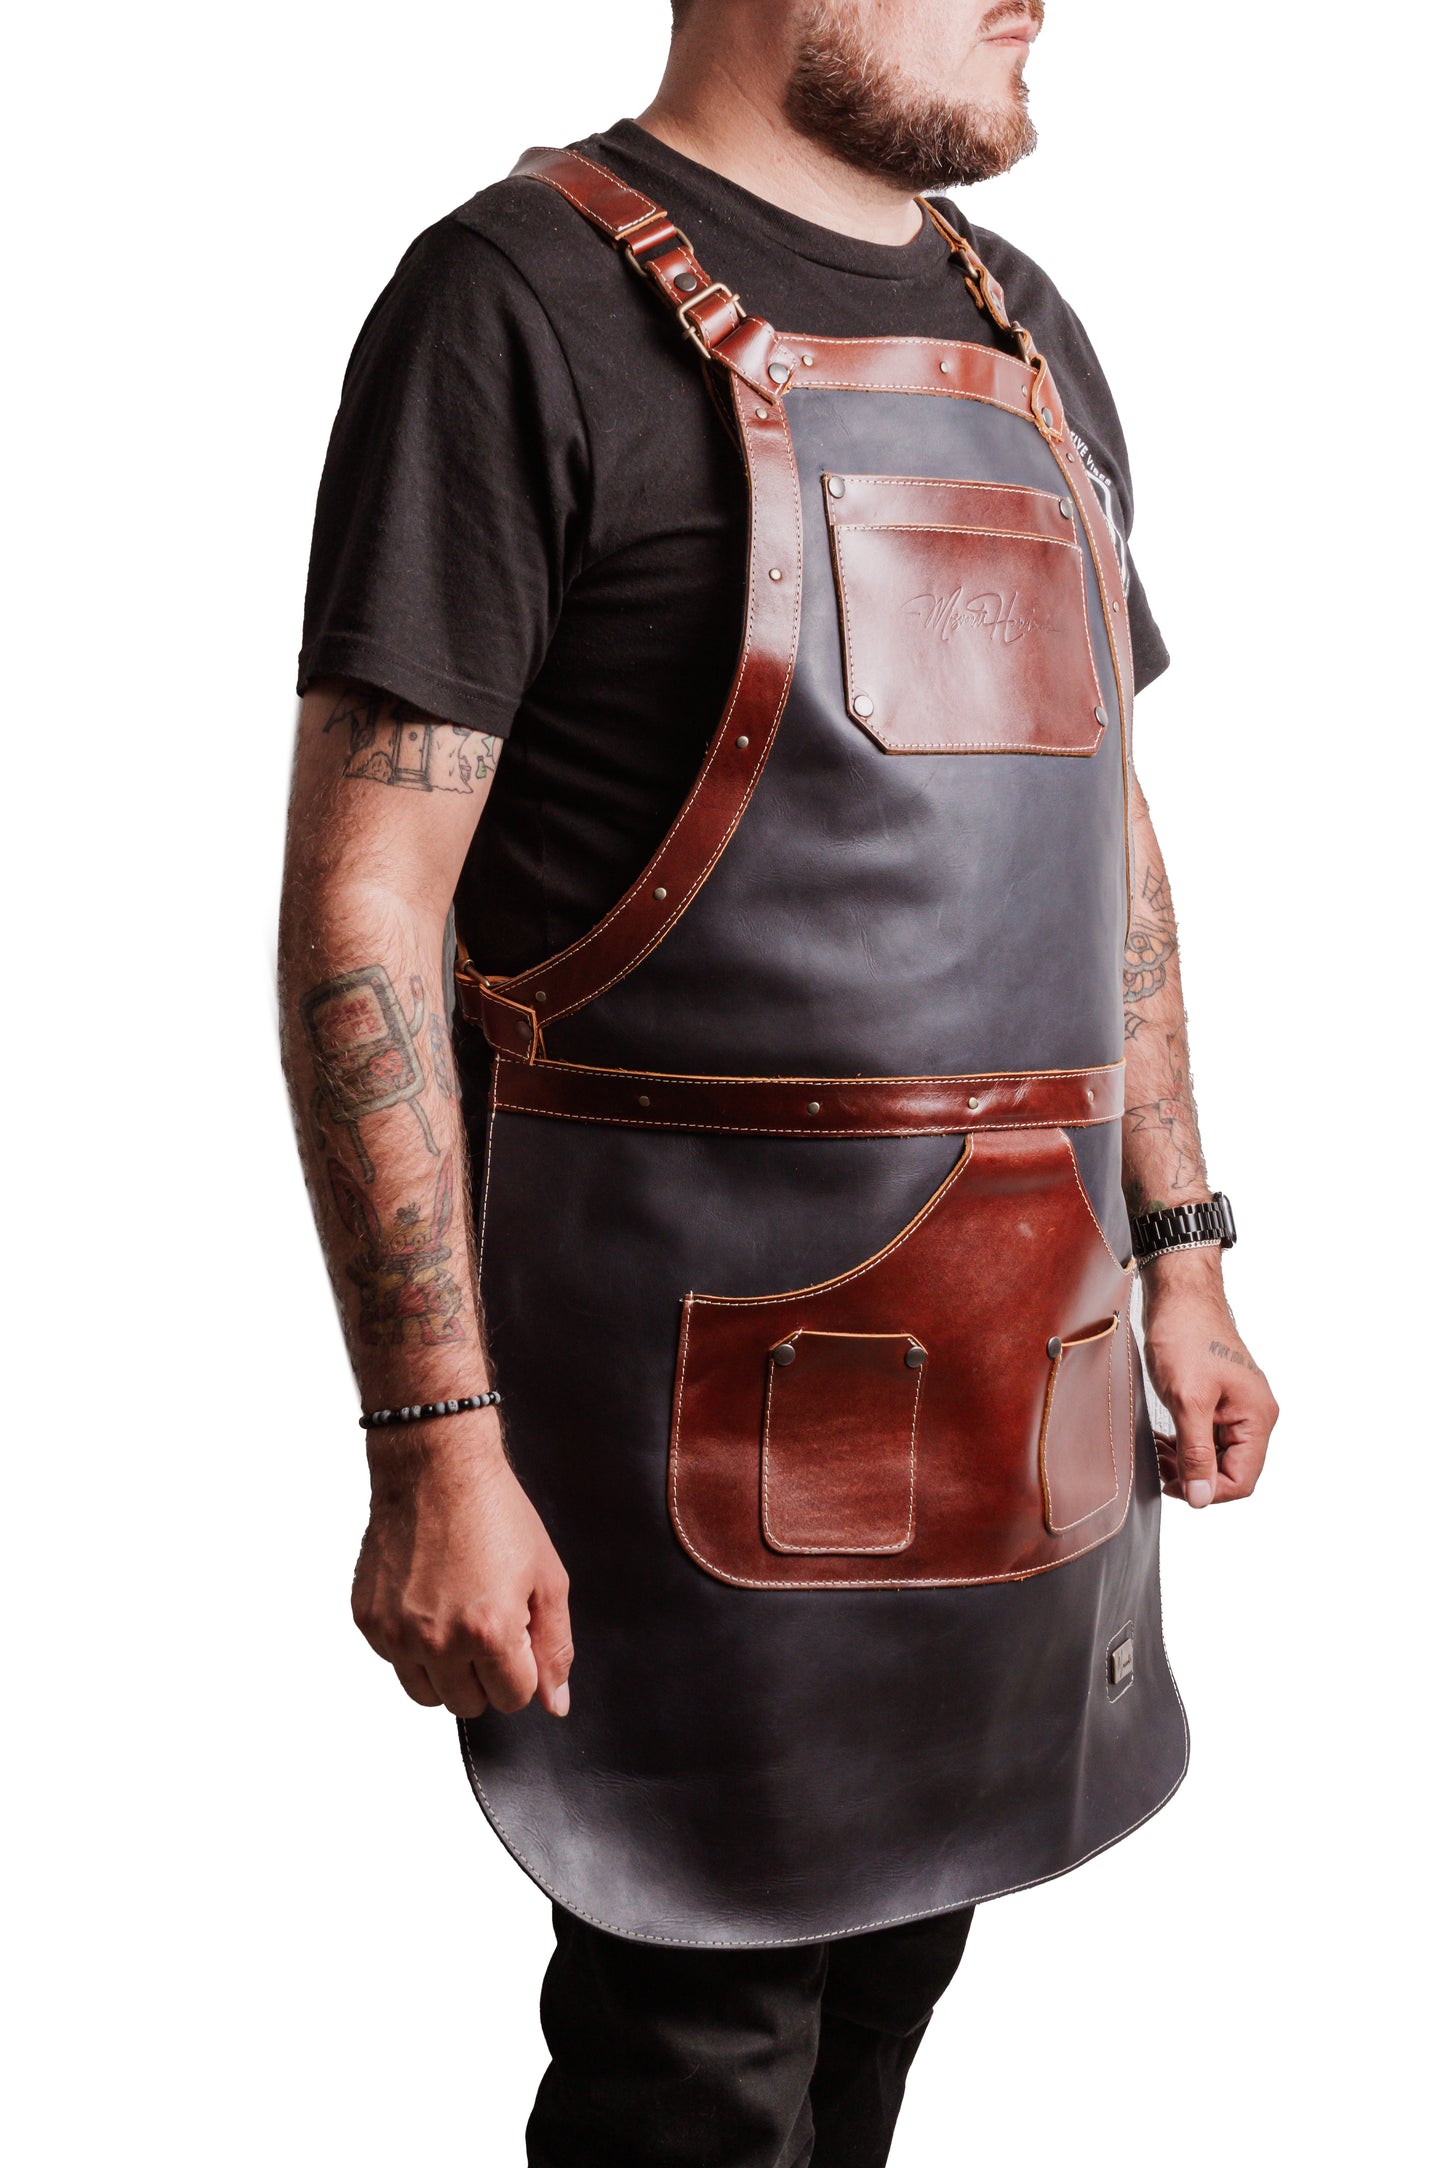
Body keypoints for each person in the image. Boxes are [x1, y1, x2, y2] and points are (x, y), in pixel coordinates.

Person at [280, 4, 1280, 2160]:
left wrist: (1188, 1256)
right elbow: (367, 909)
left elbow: (1105, 834)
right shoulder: (513, 302)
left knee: (886, 2000)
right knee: (699, 2062)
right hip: (680, 1433)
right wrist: (432, 1443)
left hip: (1018, 1396)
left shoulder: (1028, 336)